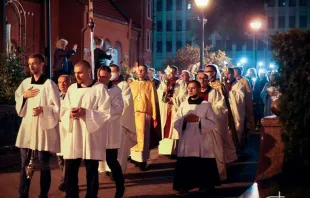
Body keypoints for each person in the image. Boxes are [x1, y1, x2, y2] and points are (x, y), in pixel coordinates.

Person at [60, 60, 111, 198]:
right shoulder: (71, 89)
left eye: (80, 72)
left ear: (89, 71)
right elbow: (63, 110)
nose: (77, 76)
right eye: (75, 73)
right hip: (74, 134)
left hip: (91, 135)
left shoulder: (100, 88)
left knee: (91, 171)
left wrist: (86, 113)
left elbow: (106, 112)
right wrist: (69, 114)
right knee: (70, 170)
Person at [15, 53, 60, 198]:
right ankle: (23, 194)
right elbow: (18, 102)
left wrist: (44, 109)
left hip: (42, 129)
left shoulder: (49, 84)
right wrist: (24, 96)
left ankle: (43, 195)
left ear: (42, 65)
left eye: (34, 63)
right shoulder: (25, 83)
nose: (31, 66)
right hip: (28, 127)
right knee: (24, 165)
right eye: (29, 64)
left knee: (43, 165)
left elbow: (57, 107)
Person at [171, 80, 220, 196]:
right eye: (189, 88)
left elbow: (213, 123)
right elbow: (175, 121)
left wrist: (199, 120)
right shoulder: (183, 104)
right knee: (185, 164)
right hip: (187, 140)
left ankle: (205, 185)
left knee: (203, 163)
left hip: (201, 140)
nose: (190, 90)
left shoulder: (206, 105)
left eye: (193, 88)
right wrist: (184, 120)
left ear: (198, 89)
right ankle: (184, 186)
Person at [97, 66, 125, 198]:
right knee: (93, 162)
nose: (100, 79)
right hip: (96, 130)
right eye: (99, 76)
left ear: (109, 76)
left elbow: (118, 110)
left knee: (111, 160)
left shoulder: (116, 91)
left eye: (103, 76)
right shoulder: (94, 89)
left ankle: (120, 186)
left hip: (110, 130)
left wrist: (102, 109)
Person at [196, 70, 228, 181]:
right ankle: (200, 177)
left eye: (205, 78)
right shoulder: (193, 92)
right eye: (200, 78)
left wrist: (207, 112)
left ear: (208, 79)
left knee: (216, 151)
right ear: (196, 79)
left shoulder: (214, 92)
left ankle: (220, 175)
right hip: (197, 127)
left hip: (212, 126)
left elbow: (222, 108)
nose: (202, 81)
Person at [205, 64, 240, 162]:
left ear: (214, 73)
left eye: (208, 71)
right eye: (205, 71)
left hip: (217, 114)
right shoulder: (204, 84)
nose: (206, 73)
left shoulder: (219, 85)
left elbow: (223, 102)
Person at [108, 64, 137, 173]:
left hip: (120, 121)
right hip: (107, 121)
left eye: (114, 71)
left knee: (120, 148)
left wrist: (112, 105)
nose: (112, 73)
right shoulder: (104, 85)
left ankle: (118, 170)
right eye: (110, 71)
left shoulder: (123, 84)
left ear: (119, 72)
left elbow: (127, 102)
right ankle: (107, 168)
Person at [130, 65, 158, 170]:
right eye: (139, 70)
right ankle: (135, 159)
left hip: (144, 115)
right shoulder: (132, 84)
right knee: (133, 137)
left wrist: (153, 116)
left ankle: (142, 160)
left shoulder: (150, 85)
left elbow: (153, 101)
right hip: (133, 114)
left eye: (143, 70)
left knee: (144, 138)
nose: (141, 72)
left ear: (146, 72)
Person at [157, 65, 187, 156]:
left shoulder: (181, 83)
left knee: (174, 129)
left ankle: (174, 151)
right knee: (165, 126)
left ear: (176, 73)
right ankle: (164, 150)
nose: (170, 75)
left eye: (172, 73)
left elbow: (184, 96)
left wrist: (173, 99)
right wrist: (163, 92)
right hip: (165, 108)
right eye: (168, 73)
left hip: (175, 108)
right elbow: (158, 93)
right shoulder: (163, 82)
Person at [233, 66, 255, 146]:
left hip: (243, 104)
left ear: (238, 72)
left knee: (243, 125)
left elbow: (248, 93)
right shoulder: (232, 81)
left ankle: (242, 142)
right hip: (234, 105)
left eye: (234, 72)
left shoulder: (244, 81)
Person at [224, 68, 246, 146]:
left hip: (235, 110)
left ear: (233, 74)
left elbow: (240, 97)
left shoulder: (238, 84)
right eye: (225, 73)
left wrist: (229, 93)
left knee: (236, 128)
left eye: (229, 73)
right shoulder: (221, 84)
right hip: (224, 111)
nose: (227, 75)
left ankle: (236, 148)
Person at [57, 75, 71, 192]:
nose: (62, 84)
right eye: (60, 82)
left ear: (69, 83)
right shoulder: (56, 97)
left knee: (68, 158)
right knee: (60, 158)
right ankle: (66, 178)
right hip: (58, 131)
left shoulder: (73, 96)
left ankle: (65, 181)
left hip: (69, 131)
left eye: (65, 82)